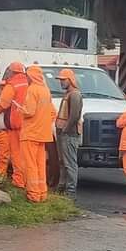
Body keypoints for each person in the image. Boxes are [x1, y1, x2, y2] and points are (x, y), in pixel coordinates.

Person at [20, 64, 56, 203]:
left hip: (30, 133)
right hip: (43, 134)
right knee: (40, 164)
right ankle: (42, 193)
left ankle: (33, 194)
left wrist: (20, 109)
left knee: (29, 164)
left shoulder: (32, 90)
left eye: (27, 76)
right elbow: (53, 113)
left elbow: (29, 111)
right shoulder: (46, 90)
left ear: (31, 76)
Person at [0, 62, 29, 189]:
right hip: (27, 125)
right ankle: (26, 181)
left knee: (16, 155)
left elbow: (3, 104)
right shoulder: (28, 83)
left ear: (12, 72)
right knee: (26, 155)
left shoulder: (12, 85)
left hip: (15, 125)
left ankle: (18, 181)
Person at [55, 67, 83, 196]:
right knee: (63, 162)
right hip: (64, 133)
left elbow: (74, 116)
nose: (61, 82)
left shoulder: (75, 94)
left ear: (70, 80)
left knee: (70, 163)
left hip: (69, 134)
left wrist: (65, 130)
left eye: (63, 80)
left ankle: (70, 191)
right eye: (60, 80)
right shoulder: (69, 94)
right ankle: (62, 188)